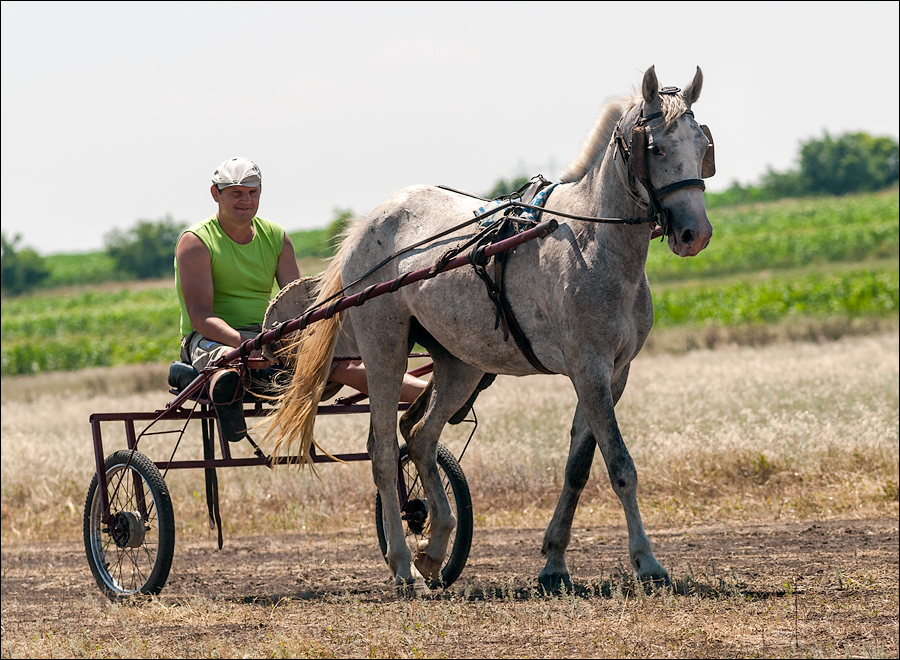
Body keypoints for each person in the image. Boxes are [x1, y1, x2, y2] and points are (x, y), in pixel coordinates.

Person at [175, 157, 427, 442]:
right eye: (236, 193)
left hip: (269, 335)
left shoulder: (275, 236)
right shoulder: (196, 241)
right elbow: (200, 316)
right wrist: (243, 346)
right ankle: (226, 393)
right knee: (226, 363)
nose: (246, 200)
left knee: (343, 364)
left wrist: (312, 341)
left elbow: (296, 302)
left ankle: (432, 395)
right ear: (215, 194)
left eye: (252, 192)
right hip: (212, 339)